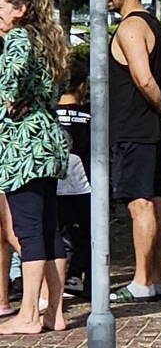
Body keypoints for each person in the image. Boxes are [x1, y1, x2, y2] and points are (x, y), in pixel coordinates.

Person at [107, 0, 161, 303]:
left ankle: (140, 281)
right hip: (153, 128)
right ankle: (158, 278)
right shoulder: (156, 25)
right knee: (158, 201)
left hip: (134, 128)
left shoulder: (130, 28)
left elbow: (143, 78)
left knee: (141, 205)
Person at [0, 0, 70, 334]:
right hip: (47, 139)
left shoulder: (16, 39)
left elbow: (6, 88)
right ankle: (54, 312)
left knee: (28, 230)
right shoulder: (47, 39)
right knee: (47, 228)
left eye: (0, 7)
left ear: (21, 9)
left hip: (23, 146)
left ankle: (27, 315)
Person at [56, 55, 91, 298]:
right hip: (85, 186)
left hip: (54, 184)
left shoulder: (48, 115)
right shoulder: (91, 116)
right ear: (82, 87)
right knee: (86, 234)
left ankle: (57, 279)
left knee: (56, 232)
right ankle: (78, 277)